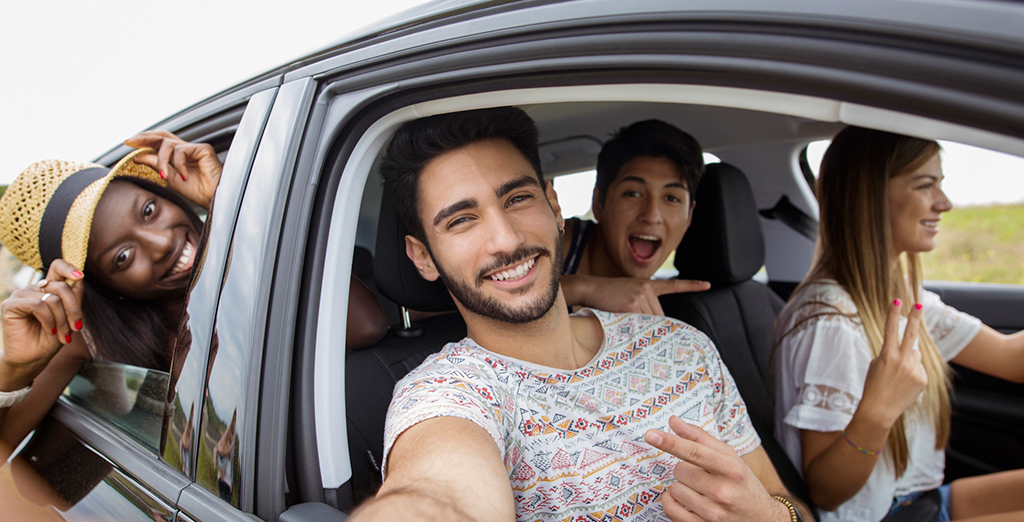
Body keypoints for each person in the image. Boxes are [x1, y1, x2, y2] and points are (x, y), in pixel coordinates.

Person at [352, 107, 811, 521]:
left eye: (517, 199)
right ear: (423, 257)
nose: (507, 240)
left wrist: (772, 517)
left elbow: (787, 504)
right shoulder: (449, 394)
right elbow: (437, 494)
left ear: (554, 207)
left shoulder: (682, 344)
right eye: (461, 220)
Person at [0, 131, 388, 449]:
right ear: (104, 287)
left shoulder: (249, 252)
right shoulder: (84, 339)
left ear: (165, 193)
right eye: (122, 257)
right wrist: (14, 370)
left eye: (148, 211)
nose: (160, 244)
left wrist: (233, 206)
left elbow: (365, 326)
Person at [772, 126, 1024, 521]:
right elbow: (826, 492)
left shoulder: (897, 295)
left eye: (940, 185)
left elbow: (1012, 358)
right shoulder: (832, 321)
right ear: (869, 198)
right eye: (926, 186)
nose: (944, 203)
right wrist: (878, 411)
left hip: (918, 502)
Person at [559, 119, 710, 315]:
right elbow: (506, 302)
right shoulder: (557, 244)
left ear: (689, 216)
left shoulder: (670, 308)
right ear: (598, 203)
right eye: (633, 194)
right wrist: (584, 290)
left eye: (671, 198)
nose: (652, 215)